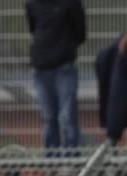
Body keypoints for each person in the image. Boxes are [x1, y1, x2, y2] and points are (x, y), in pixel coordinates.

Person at [26, 0, 86, 148]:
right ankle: (52, 161)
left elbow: (80, 32)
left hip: (64, 67)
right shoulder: (32, 4)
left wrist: (64, 48)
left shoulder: (71, 3)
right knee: (48, 117)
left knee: (67, 117)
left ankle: (71, 161)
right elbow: (34, 28)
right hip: (41, 68)